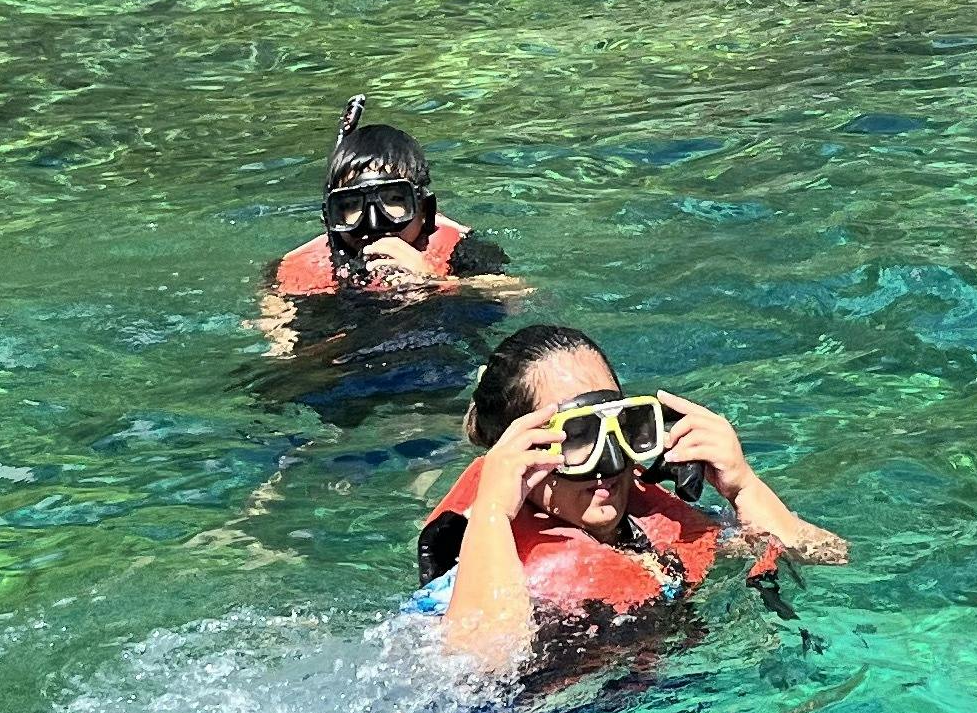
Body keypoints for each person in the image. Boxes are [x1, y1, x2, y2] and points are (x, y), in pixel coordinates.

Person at [422, 325, 849, 675]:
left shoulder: (651, 523)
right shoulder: (473, 567)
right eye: (576, 437)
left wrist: (743, 486)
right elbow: (480, 670)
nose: (607, 463)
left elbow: (829, 556)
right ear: (517, 454)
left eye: (621, 428)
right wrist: (493, 513)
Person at [266, 99, 512, 306]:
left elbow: (516, 300)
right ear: (331, 218)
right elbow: (281, 348)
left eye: (393, 200)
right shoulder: (299, 269)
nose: (373, 222)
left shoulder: (463, 251)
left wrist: (433, 279)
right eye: (352, 205)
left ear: (424, 210)